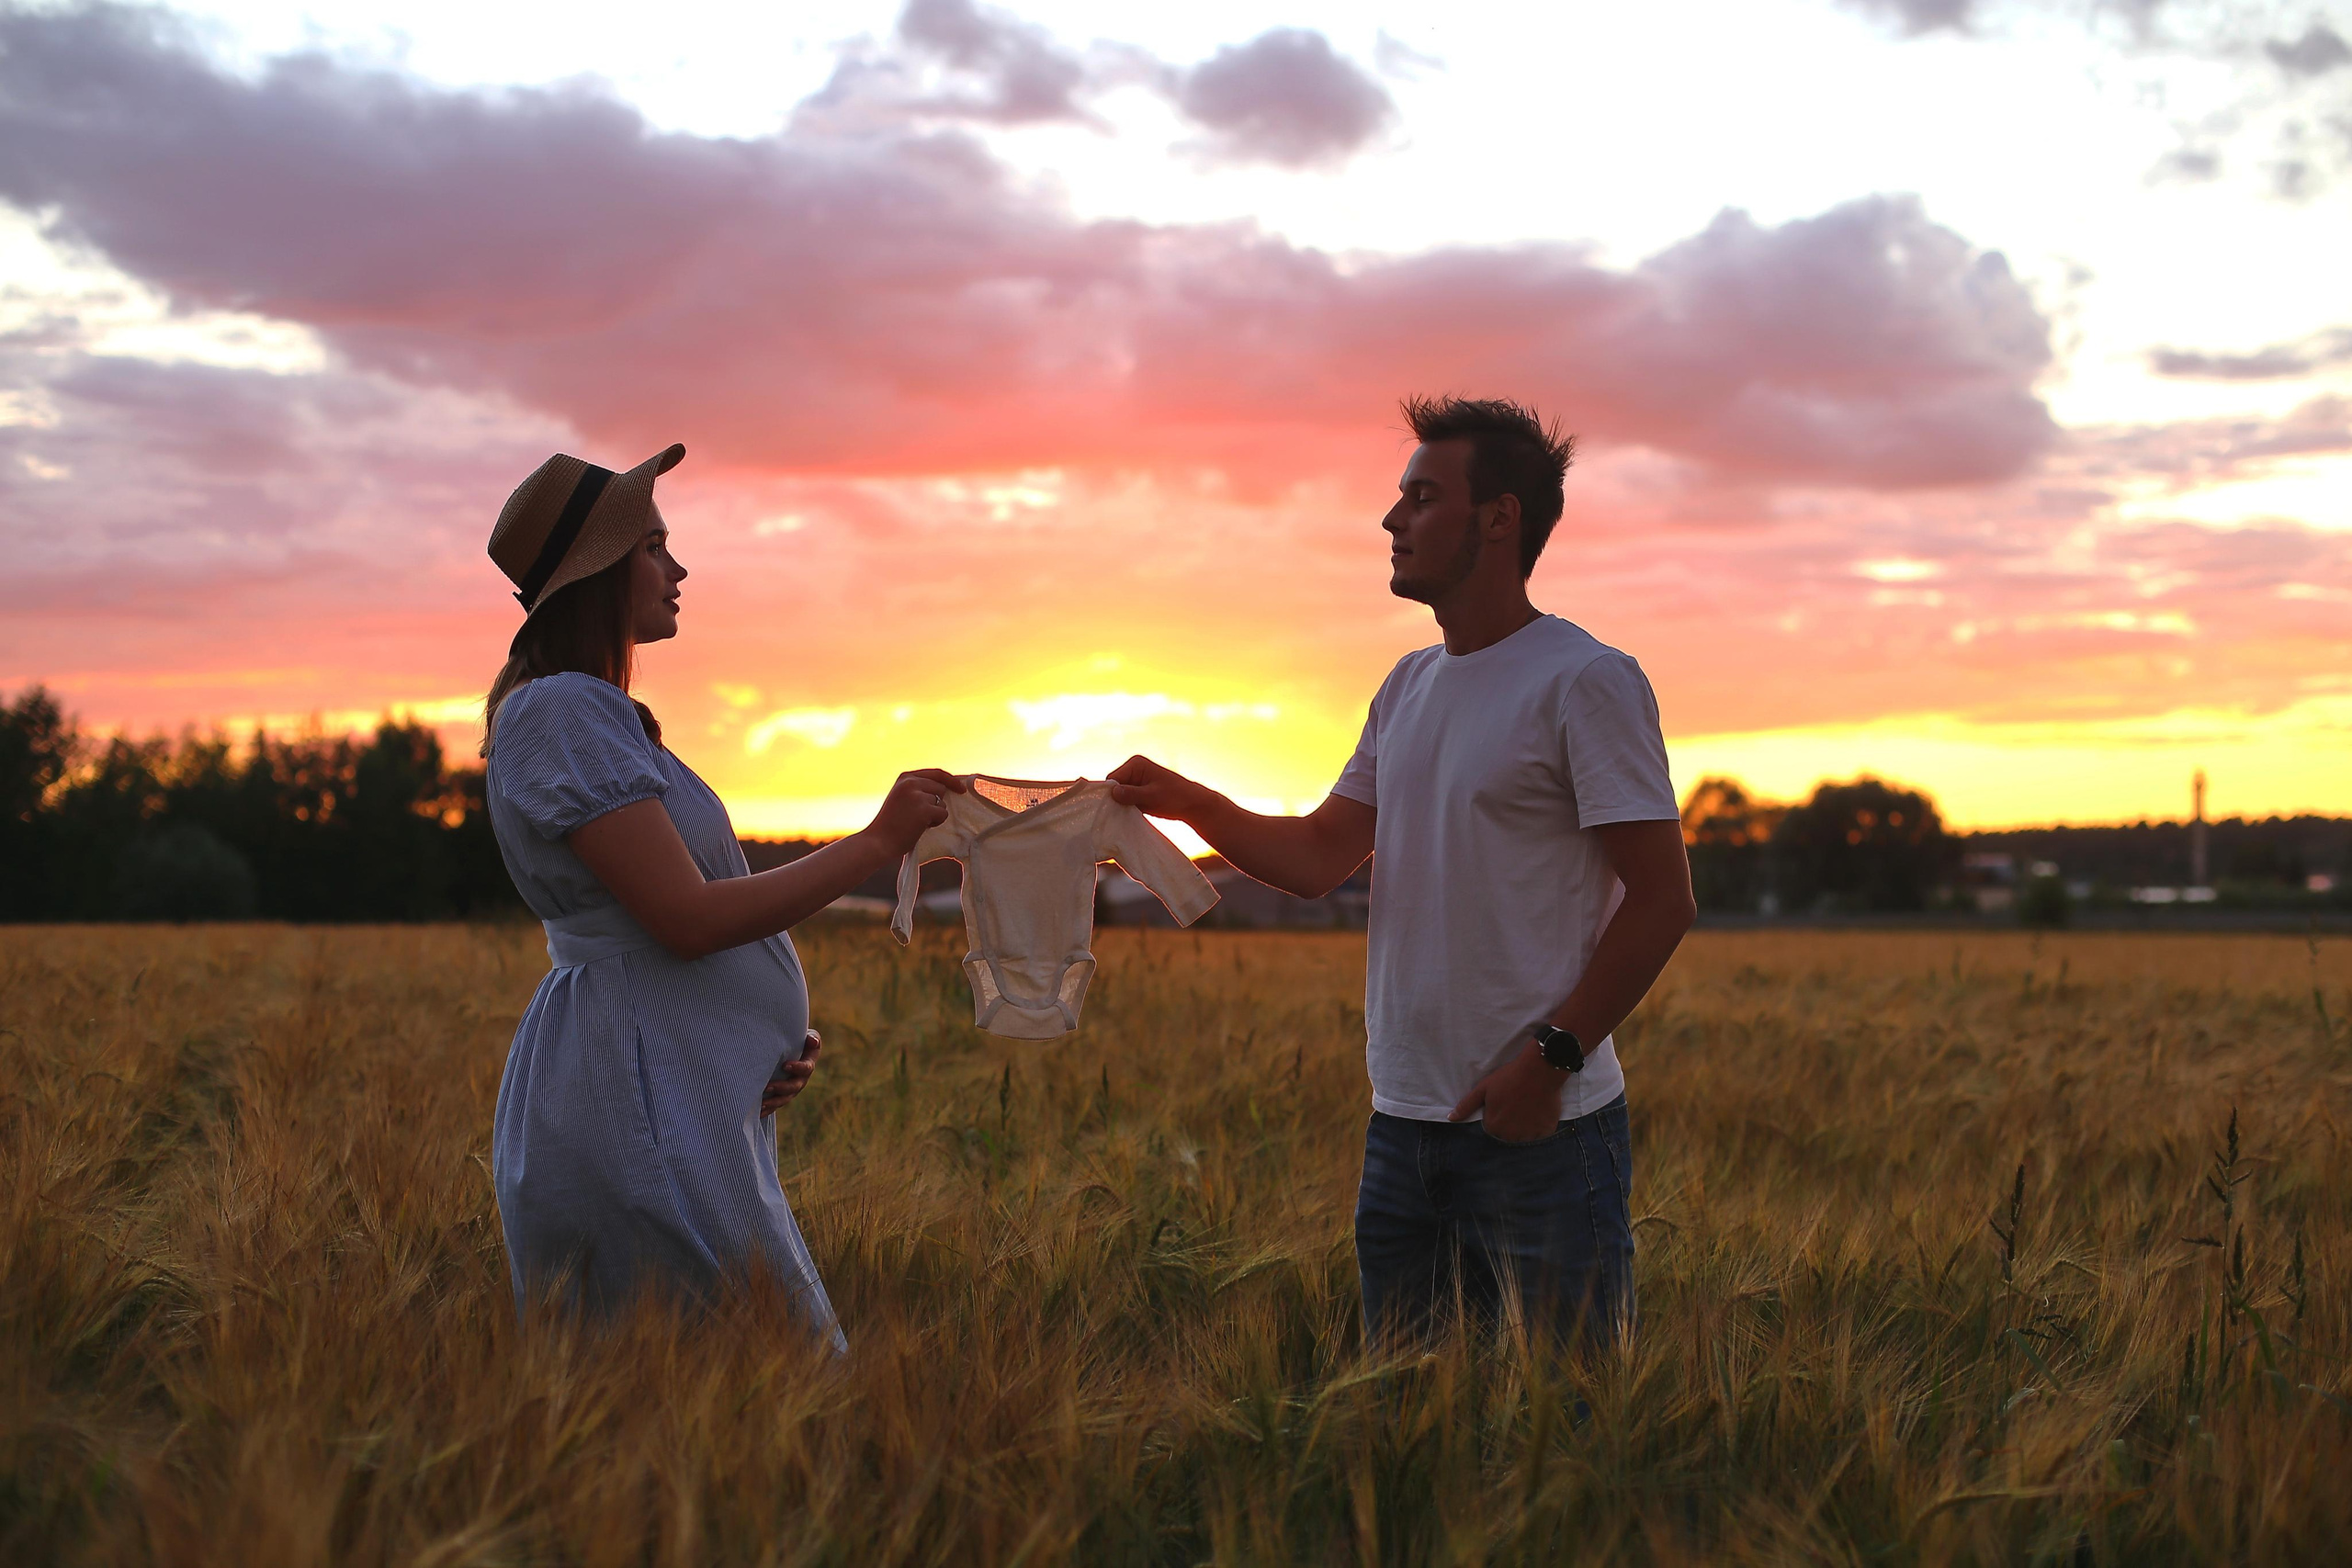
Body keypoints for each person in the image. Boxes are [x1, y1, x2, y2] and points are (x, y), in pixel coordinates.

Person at [1110, 397, 1695, 1352]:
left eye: (1421, 499)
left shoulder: (1584, 680)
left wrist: (1546, 1066)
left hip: (1539, 1132)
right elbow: (1315, 859)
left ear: (1498, 517)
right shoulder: (1407, 686)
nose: (1392, 522)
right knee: (1413, 1439)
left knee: (1573, 1430)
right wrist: (1191, 802)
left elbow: (1664, 900)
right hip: (1403, 1131)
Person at [480, 442, 963, 1341]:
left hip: (675, 1092)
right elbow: (684, 920)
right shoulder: (562, 710)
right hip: (637, 1108)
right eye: (654, 547)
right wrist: (876, 842)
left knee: (731, 1411)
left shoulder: (592, 715)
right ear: (598, 573)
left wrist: (744, 1049)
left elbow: (677, 926)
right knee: (751, 1388)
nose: (678, 567)